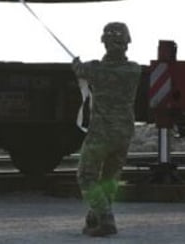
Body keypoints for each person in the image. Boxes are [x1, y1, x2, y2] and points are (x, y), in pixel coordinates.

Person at [72, 21, 142, 237]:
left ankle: (105, 218)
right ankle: (96, 217)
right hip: (124, 133)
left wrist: (76, 64)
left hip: (102, 132)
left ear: (104, 42)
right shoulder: (134, 70)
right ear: (128, 42)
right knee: (110, 178)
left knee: (86, 175)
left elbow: (81, 71)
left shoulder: (95, 69)